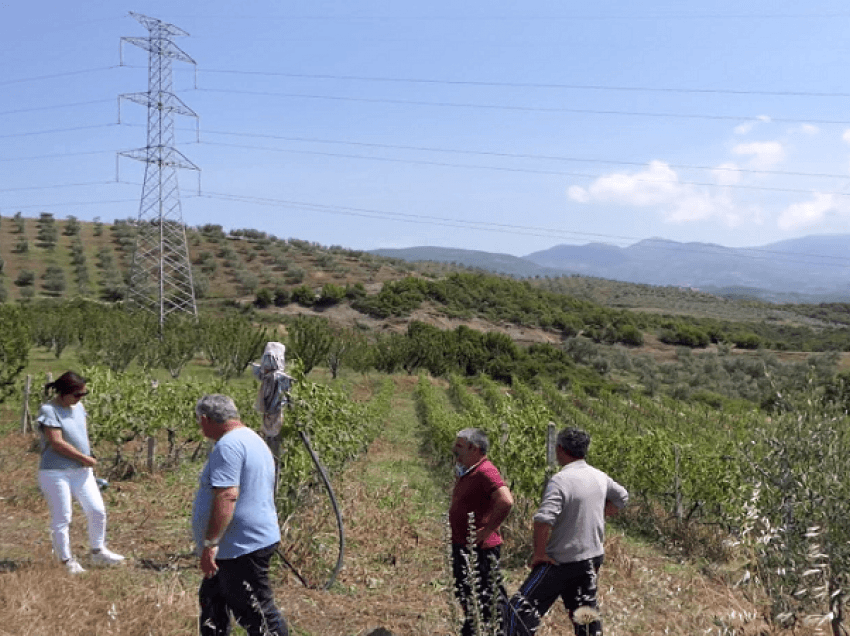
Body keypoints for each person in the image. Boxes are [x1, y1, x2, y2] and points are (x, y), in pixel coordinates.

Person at [505, 428, 628, 636]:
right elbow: (622, 497)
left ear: (560, 449)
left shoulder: (561, 480)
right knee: (584, 613)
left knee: (518, 611)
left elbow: (543, 520)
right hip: (591, 558)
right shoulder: (599, 476)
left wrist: (539, 554)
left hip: (561, 561)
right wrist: (601, 511)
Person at [192, 394, 288, 636]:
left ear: (205, 419)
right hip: (238, 545)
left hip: (241, 546)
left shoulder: (228, 445)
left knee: (258, 615)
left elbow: (227, 496)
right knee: (212, 603)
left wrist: (210, 543)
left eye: (199, 421)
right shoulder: (251, 439)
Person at [36, 370, 125, 574]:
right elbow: (56, 443)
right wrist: (84, 458)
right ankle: (66, 561)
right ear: (64, 393)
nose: (80, 398)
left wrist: (86, 457)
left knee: (97, 510)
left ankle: (98, 551)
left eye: (83, 394)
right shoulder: (49, 410)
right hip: (55, 472)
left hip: (81, 471)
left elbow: (80, 434)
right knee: (63, 517)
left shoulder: (78, 407)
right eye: (77, 394)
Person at [449, 427, 514, 636]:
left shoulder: (486, 471)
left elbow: (505, 500)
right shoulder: (469, 469)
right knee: (467, 592)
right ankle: (475, 628)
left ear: (474, 448)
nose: (454, 450)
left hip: (481, 549)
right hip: (465, 545)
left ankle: (500, 631)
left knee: (489, 597)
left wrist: (486, 531)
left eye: (459, 446)